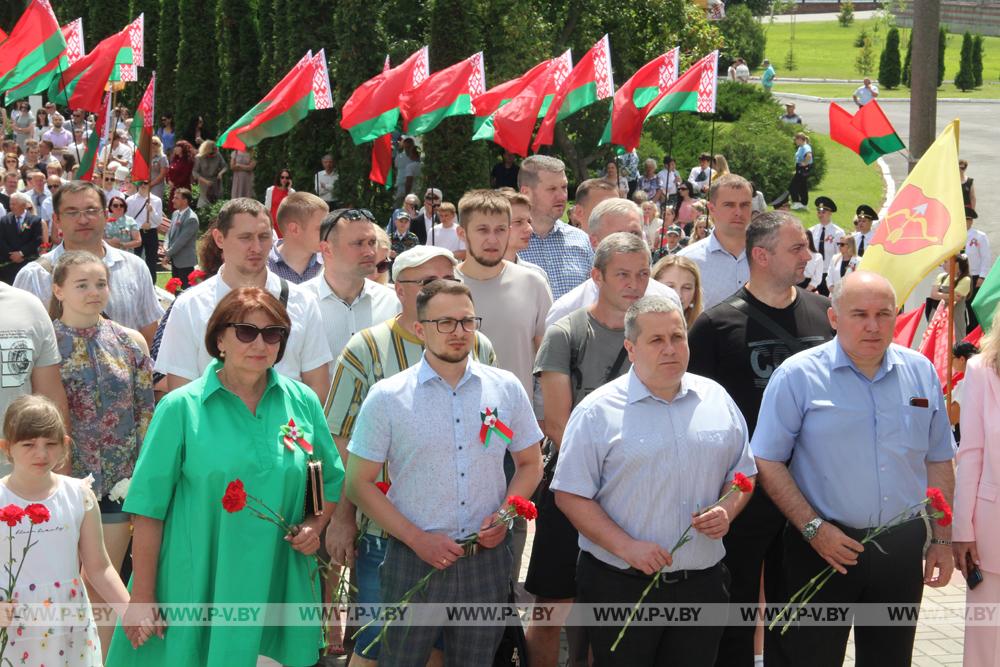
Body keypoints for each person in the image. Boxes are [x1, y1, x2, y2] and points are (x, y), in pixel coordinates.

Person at [106, 287, 344, 667]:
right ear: (220, 338)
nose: (260, 343)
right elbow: (148, 509)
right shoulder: (180, 408)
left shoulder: (303, 401)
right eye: (246, 331)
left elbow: (326, 479)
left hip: (278, 577)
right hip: (197, 582)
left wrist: (315, 525)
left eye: (273, 333)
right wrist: (144, 596)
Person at [752, 271, 955, 666]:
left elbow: (938, 459)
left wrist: (942, 540)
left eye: (883, 314)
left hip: (899, 550)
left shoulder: (921, 372)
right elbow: (767, 458)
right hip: (821, 548)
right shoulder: (798, 375)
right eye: (859, 314)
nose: (873, 325)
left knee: (891, 659)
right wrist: (813, 528)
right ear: (833, 318)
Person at [344, 279, 544, 666]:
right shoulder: (388, 396)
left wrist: (504, 515)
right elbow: (358, 482)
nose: (458, 332)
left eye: (467, 322)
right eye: (445, 323)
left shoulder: (505, 387)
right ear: (420, 329)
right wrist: (417, 539)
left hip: (485, 561)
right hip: (412, 559)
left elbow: (530, 463)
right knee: (401, 660)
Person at [553, 295, 756, 665]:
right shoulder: (597, 412)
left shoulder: (717, 399)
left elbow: (743, 475)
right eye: (656, 340)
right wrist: (626, 546)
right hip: (621, 584)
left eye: (678, 337)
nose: (670, 349)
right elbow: (570, 494)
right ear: (630, 348)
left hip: (701, 584)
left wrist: (728, 509)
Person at [323, 247, 495, 666]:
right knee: (377, 647)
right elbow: (340, 441)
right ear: (400, 291)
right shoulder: (365, 349)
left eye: (448, 281)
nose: (441, 291)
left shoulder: (480, 346)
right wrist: (343, 519)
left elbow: (491, 430)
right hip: (388, 538)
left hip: (465, 543)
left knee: (440, 650)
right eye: (427, 283)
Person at [688, 211, 834, 667]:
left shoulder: (820, 312)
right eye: (797, 248)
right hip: (742, 492)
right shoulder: (715, 325)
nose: (808, 256)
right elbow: (697, 414)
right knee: (735, 611)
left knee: (798, 616)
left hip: (810, 492)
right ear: (761, 255)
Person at [526, 232, 651, 667]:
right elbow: (557, 423)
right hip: (574, 489)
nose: (634, 284)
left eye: (642, 274)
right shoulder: (567, 332)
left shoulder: (657, 332)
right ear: (596, 276)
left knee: (612, 613)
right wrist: (596, 484)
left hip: (633, 492)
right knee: (551, 608)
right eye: (622, 274)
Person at [48, 250, 155, 655]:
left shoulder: (129, 341)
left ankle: (98, 661)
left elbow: (146, 409)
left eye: (100, 284)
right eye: (82, 284)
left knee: (100, 582)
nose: (94, 292)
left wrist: (142, 475)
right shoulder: (47, 342)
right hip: (58, 483)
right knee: (60, 582)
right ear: (58, 289)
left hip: (116, 484)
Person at [1, 394, 137, 665]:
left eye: (50, 444)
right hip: (11, 621)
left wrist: (130, 611)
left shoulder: (78, 495)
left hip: (69, 625)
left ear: (64, 445)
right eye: (28, 444)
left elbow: (99, 567)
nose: (41, 453)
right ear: (7, 448)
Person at [154, 197, 332, 400]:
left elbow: (317, 385)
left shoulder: (303, 302)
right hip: (215, 429)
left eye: (264, 237)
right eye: (245, 237)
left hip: (286, 428)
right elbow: (181, 393)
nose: (256, 247)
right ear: (219, 238)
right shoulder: (190, 305)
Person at [15, 181, 163, 347]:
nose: (83, 220)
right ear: (56, 219)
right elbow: (19, 340)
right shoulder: (33, 275)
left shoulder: (135, 267)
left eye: (91, 211)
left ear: (106, 215)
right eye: (72, 212)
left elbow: (149, 332)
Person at [547, 198, 679, 326]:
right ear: (594, 241)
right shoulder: (567, 311)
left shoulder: (668, 300)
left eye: (635, 233)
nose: (629, 242)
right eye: (618, 236)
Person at [954, 310, 1000, 666]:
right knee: (986, 646)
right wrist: (962, 531)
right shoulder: (981, 369)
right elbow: (970, 454)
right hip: (991, 535)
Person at [302, 208, 400, 360]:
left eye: (372, 242)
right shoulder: (299, 303)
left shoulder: (393, 302)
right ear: (326, 249)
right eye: (358, 243)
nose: (369, 252)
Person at [517, 155, 592, 299]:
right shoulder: (507, 243)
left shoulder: (581, 239)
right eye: (552, 189)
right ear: (526, 193)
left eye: (564, 187)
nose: (562, 196)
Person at [679, 174, 753, 310]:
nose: (738, 212)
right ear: (711, 209)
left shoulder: (770, 257)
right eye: (729, 205)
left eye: (744, 205)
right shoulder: (687, 260)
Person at [266, 191, 327, 284]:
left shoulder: (330, 264)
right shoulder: (264, 268)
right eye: (321, 228)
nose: (327, 233)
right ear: (294, 229)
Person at [500, 190, 548, 281]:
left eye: (529, 221)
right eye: (518, 222)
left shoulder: (536, 276)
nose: (530, 229)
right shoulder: (468, 278)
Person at [0, 192, 43, 284]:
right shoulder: (4, 220)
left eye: (14, 204)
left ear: (23, 205)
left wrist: (21, 253)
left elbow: (37, 240)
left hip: (27, 261)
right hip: (8, 266)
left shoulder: (34, 220)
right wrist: (11, 255)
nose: (11, 206)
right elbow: (1, 240)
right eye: (10, 204)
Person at [125, 180, 164, 282]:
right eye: (140, 183)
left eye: (145, 183)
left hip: (151, 232)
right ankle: (134, 282)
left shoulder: (156, 200)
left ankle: (152, 284)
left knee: (151, 260)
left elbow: (158, 221)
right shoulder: (130, 200)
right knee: (135, 259)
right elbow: (127, 219)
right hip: (137, 232)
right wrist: (140, 225)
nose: (143, 185)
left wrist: (151, 211)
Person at [807, 196, 845, 296]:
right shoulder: (812, 231)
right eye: (818, 212)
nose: (820, 214)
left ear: (830, 213)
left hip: (828, 273)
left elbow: (840, 255)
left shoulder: (838, 233)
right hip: (813, 273)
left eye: (823, 212)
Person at [652, 253, 703, 327]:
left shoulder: (704, 330)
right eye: (670, 287)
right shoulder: (634, 326)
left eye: (687, 288)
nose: (678, 295)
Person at [927, 254, 972, 337]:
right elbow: (933, 294)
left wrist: (940, 295)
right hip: (936, 320)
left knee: (953, 346)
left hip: (954, 322)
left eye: (946, 262)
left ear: (956, 264)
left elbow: (955, 299)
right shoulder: (941, 276)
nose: (943, 265)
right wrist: (951, 296)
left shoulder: (965, 279)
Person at [163, 188, 200, 288]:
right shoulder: (175, 214)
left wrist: (168, 253)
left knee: (185, 290)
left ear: (185, 201)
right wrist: (166, 247)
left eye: (176, 198)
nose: (172, 200)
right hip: (175, 260)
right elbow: (169, 233)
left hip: (185, 262)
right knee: (175, 288)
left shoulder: (191, 219)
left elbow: (181, 241)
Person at [964, 206, 990, 332]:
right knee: (959, 308)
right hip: (958, 277)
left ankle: (973, 334)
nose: (965, 222)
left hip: (974, 277)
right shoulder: (953, 236)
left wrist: (982, 276)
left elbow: (986, 257)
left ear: (971, 221)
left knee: (972, 308)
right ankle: (962, 334)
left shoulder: (979, 236)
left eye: (968, 219)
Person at [191, 140, 226, 208]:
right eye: (212, 153)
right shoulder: (199, 158)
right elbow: (195, 172)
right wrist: (205, 181)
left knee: (217, 199)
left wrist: (220, 173)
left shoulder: (218, 155)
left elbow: (224, 166)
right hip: (204, 181)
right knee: (204, 200)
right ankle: (202, 215)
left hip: (216, 180)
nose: (214, 154)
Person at [264, 168, 295, 236]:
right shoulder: (271, 190)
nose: (284, 179)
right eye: (282, 177)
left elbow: (293, 207)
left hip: (285, 223)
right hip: (273, 223)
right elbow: (267, 208)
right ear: (279, 178)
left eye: (287, 178)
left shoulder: (291, 192)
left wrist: (289, 188)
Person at [789, 132, 812, 210]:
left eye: (796, 140)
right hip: (800, 168)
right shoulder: (801, 147)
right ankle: (804, 204)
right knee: (802, 186)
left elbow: (809, 155)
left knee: (792, 186)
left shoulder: (806, 147)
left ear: (800, 139)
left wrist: (805, 163)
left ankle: (797, 202)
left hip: (803, 168)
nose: (795, 142)